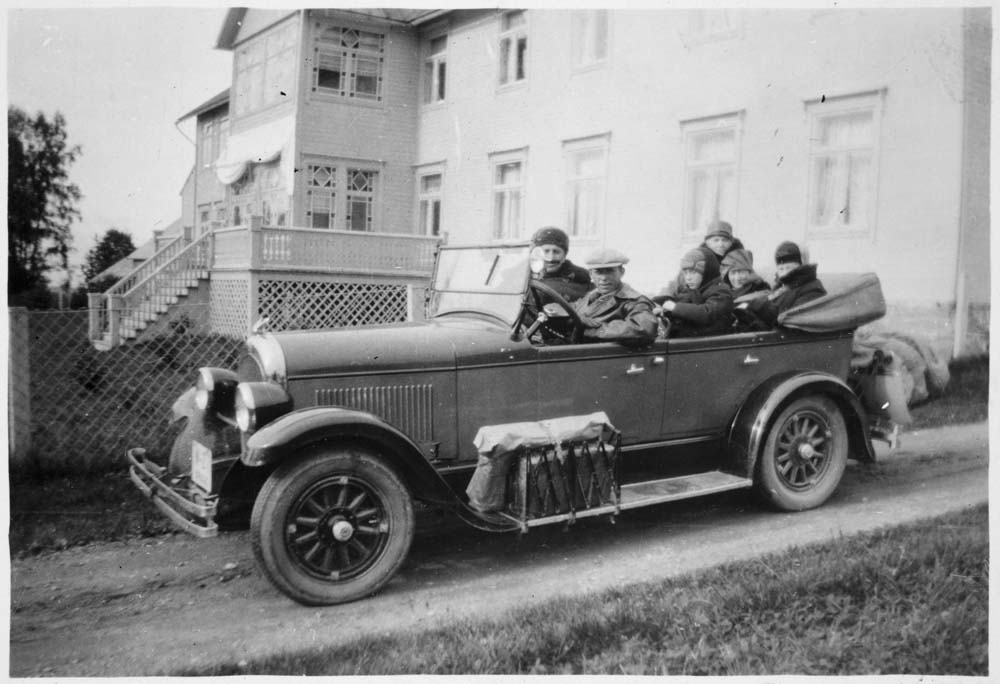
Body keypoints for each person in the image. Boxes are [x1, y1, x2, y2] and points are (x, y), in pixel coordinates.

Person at [573, 248, 658, 345]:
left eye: (610, 271)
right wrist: (578, 318)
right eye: (598, 272)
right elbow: (572, 308)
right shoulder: (592, 296)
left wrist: (593, 331)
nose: (604, 278)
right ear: (591, 274)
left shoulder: (634, 301)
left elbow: (644, 328)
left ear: (622, 272)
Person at [743, 240, 826, 328]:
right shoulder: (781, 287)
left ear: (802, 265)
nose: (785, 273)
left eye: (789, 268)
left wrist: (762, 307)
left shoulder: (813, 289)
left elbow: (793, 321)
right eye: (781, 269)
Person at [654, 248, 733, 337]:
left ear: (707, 272)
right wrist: (663, 311)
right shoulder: (690, 290)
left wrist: (675, 307)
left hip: (710, 345)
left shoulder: (722, 292)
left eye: (693, 272)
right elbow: (684, 310)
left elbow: (706, 313)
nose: (688, 278)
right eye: (685, 273)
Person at [529, 226, 592, 303]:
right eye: (546, 251)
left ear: (564, 256)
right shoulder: (523, 276)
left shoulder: (580, 278)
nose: (551, 258)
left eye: (556, 252)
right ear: (536, 254)